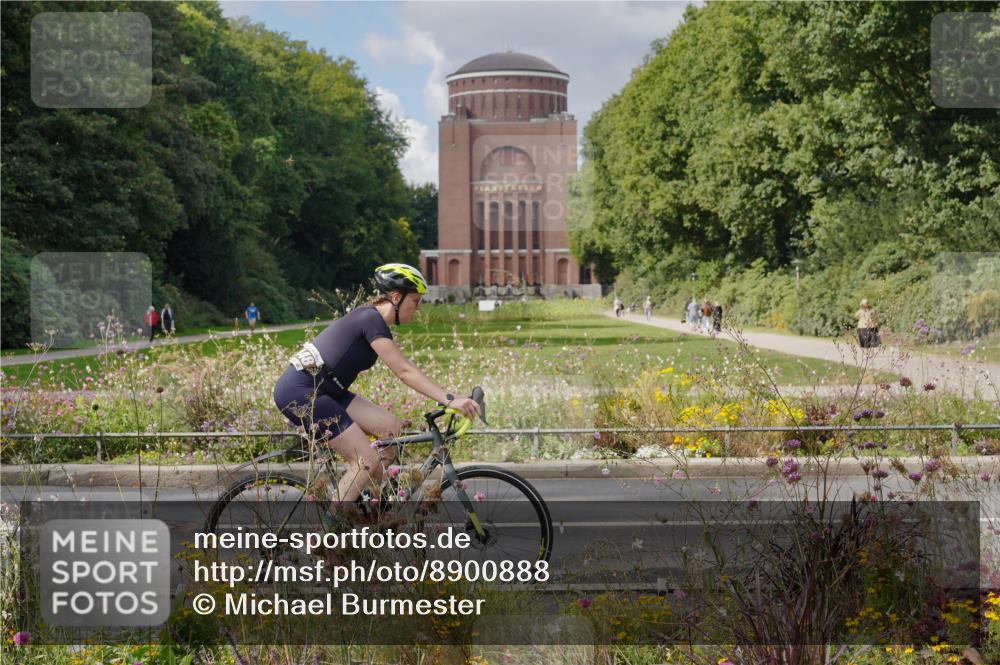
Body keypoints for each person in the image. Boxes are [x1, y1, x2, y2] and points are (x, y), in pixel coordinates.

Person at [273, 263, 481, 515]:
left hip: (328, 389)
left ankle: (365, 510)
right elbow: (404, 371)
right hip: (302, 391)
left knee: (389, 428)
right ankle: (327, 536)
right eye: (415, 300)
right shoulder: (370, 320)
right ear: (396, 297)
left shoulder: (373, 321)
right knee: (365, 461)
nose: (418, 307)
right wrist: (450, 400)